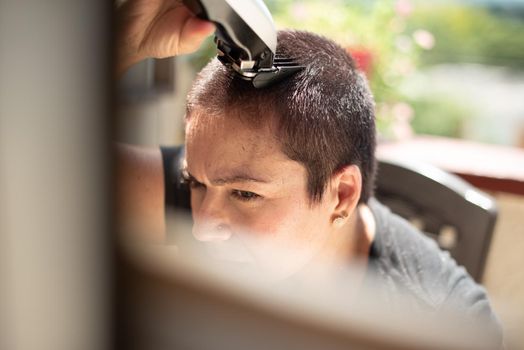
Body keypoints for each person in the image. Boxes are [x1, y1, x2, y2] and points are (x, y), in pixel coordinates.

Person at [115, 0, 502, 345]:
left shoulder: (445, 326)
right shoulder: (216, 192)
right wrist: (124, 41)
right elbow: (57, 177)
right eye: (193, 182)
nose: (201, 225)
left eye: (246, 194)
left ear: (342, 195)